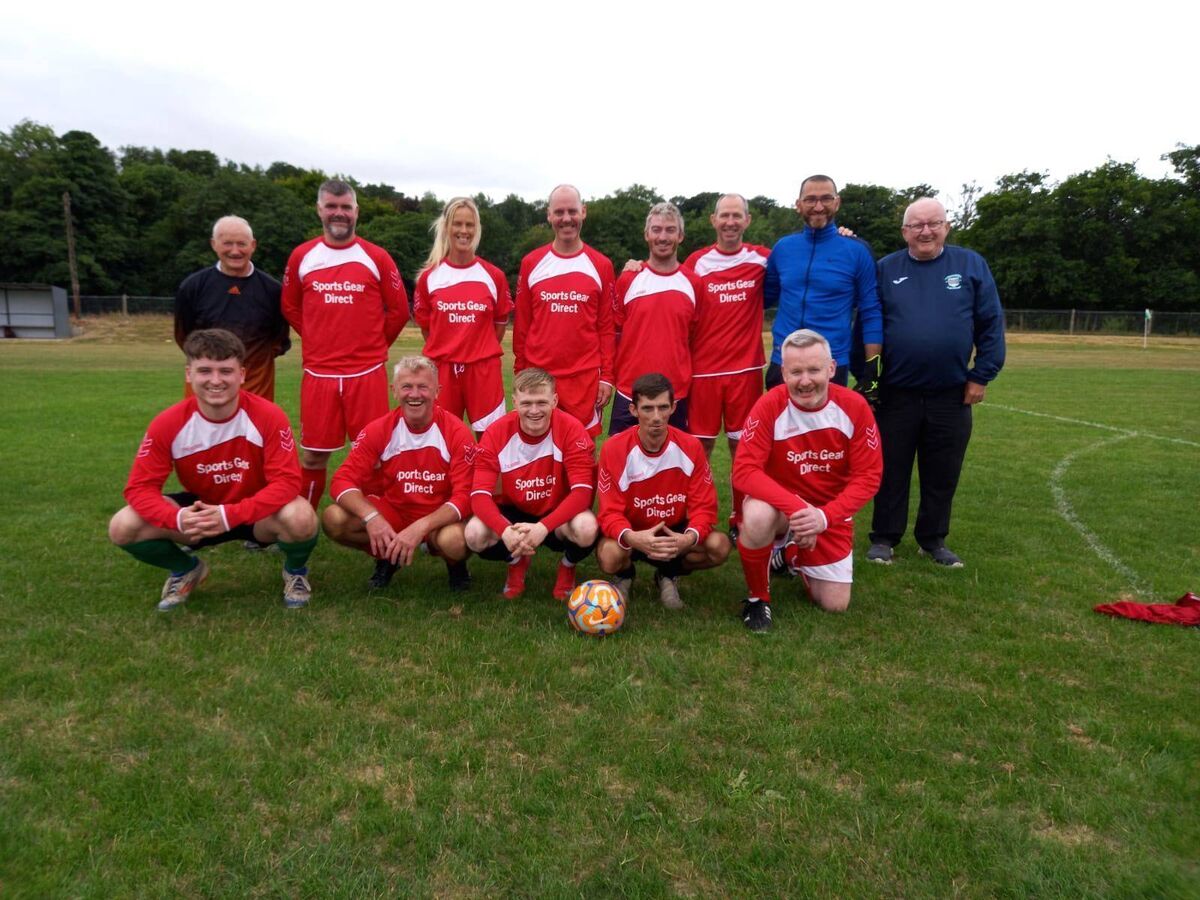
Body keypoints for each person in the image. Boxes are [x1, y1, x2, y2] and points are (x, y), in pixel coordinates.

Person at [108, 329, 318, 611]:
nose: (215, 380)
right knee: (123, 526)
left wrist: (230, 515)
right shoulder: (167, 423)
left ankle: (295, 572)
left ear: (242, 374)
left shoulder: (268, 415)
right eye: (205, 370)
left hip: (254, 513)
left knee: (301, 516)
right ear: (188, 374)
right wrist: (177, 518)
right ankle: (187, 569)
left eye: (225, 371)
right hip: (199, 513)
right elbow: (139, 487)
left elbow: (287, 482)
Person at [867, 197, 1006, 568]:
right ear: (905, 232)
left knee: (942, 471)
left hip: (952, 392)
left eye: (933, 223)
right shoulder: (885, 269)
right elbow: (868, 326)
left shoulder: (970, 264)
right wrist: (870, 381)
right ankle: (884, 537)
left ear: (946, 226)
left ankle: (933, 539)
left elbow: (990, 323)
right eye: (917, 225)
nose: (925, 231)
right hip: (896, 392)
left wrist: (982, 374)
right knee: (891, 468)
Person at [733, 329, 882, 630]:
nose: (805, 381)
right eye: (796, 372)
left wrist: (824, 518)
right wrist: (798, 511)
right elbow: (744, 471)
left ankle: (788, 555)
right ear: (783, 372)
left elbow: (869, 476)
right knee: (758, 516)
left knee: (834, 604)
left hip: (827, 511)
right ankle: (757, 600)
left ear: (831, 369)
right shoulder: (770, 405)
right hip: (782, 507)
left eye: (814, 370)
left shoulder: (854, 407)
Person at [281, 179, 410, 508]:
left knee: (374, 456)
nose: (339, 213)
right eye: (331, 206)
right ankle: (303, 524)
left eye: (345, 207)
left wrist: (373, 345)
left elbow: (398, 310)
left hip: (365, 373)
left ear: (356, 211)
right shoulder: (302, 256)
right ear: (319, 209)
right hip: (320, 374)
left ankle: (378, 523)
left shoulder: (376, 256)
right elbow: (290, 306)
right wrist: (315, 338)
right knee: (312, 456)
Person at [322, 356, 473, 591]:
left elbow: (464, 498)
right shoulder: (380, 429)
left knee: (454, 541)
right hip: (395, 514)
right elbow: (342, 480)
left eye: (423, 387)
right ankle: (388, 556)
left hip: (437, 519)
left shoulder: (456, 432)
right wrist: (372, 518)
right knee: (335, 519)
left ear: (437, 391)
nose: (414, 394)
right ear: (394, 391)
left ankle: (455, 565)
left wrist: (421, 527)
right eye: (407, 387)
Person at [596, 373, 731, 609]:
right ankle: (625, 575)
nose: (656, 417)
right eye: (648, 408)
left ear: (673, 408)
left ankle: (668, 575)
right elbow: (609, 512)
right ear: (633, 410)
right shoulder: (614, 449)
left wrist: (688, 538)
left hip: (674, 532)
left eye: (663, 407)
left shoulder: (690, 447)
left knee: (719, 547)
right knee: (609, 557)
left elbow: (705, 507)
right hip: (634, 531)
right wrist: (633, 538)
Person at [465, 368, 598, 600]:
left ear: (554, 401)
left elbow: (582, 493)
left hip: (557, 513)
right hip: (513, 512)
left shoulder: (571, 429)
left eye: (541, 402)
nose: (534, 411)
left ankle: (567, 565)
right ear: (515, 402)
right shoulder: (496, 432)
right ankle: (516, 560)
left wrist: (543, 527)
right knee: (474, 534)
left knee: (587, 528)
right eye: (526, 403)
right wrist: (504, 530)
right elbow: (478, 496)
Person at [683, 193, 771, 535]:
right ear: (713, 220)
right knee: (699, 449)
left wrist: (841, 236)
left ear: (747, 221)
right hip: (703, 372)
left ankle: (740, 518)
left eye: (737, 216)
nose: (731, 222)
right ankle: (695, 516)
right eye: (725, 216)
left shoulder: (763, 259)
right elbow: (667, 278)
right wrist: (635, 265)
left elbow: (800, 260)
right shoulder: (696, 261)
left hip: (745, 372)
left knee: (743, 449)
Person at [764, 175, 882, 394]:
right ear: (798, 205)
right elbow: (761, 298)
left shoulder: (857, 250)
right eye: (810, 200)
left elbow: (871, 312)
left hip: (831, 363)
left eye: (826, 199)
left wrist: (872, 371)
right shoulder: (782, 249)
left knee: (827, 430)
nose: (818, 207)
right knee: (780, 429)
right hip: (784, 360)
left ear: (837, 202)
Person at [514, 184, 616, 436]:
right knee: (542, 450)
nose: (566, 219)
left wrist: (607, 377)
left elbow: (606, 327)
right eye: (559, 212)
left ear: (583, 212)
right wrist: (520, 374)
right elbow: (522, 326)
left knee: (583, 448)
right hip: (539, 376)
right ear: (549, 215)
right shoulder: (531, 263)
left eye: (572, 211)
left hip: (584, 377)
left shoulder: (601, 265)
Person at [413, 197, 512, 436]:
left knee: (490, 443)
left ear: (476, 229)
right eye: (458, 224)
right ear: (447, 227)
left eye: (470, 225)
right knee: (442, 440)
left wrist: (476, 350)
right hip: (442, 370)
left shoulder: (494, 276)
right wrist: (449, 349)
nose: (464, 231)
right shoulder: (429, 278)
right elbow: (429, 330)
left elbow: (498, 326)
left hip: (483, 369)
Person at [174, 215, 290, 400]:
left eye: (242, 244)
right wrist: (213, 364)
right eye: (227, 243)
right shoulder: (193, 287)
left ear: (253, 245)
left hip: (256, 384)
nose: (235, 251)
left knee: (255, 429)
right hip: (207, 383)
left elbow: (279, 339)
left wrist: (250, 362)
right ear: (214, 244)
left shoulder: (273, 290)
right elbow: (184, 336)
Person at [609, 202, 701, 435]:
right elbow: (614, 333)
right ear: (646, 234)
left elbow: (694, 337)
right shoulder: (628, 279)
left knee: (673, 466)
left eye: (670, 230)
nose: (663, 236)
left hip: (674, 394)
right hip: (629, 390)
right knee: (621, 462)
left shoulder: (693, 283)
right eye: (657, 229)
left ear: (680, 236)